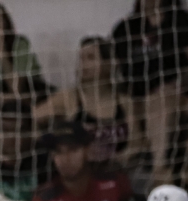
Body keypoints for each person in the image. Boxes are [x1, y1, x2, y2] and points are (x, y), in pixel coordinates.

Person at [110, 0, 188, 184]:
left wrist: (177, 85)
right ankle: (138, 143)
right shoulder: (125, 29)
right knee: (133, 99)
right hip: (139, 101)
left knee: (162, 98)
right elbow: (115, 74)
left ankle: (159, 168)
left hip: (182, 96)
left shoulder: (183, 21)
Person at [34, 36, 137, 169]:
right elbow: (31, 118)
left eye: (91, 58)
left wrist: (119, 160)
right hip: (79, 173)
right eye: (81, 59)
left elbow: (137, 142)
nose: (84, 64)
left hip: (117, 170)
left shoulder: (124, 101)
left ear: (109, 64)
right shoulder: (69, 97)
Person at [0, 1, 45, 101]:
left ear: (5, 22)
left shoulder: (19, 44)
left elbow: (17, 89)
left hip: (31, 95)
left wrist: (1, 51)